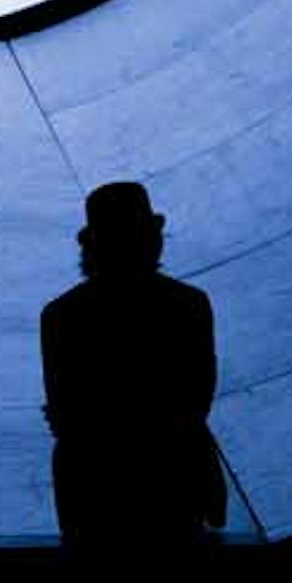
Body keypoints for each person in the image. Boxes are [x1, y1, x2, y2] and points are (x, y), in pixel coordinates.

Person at [40, 181, 224, 557]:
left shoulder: (62, 316)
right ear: (151, 239)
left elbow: (66, 413)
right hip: (175, 485)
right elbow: (196, 399)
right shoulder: (189, 305)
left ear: (91, 245)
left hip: (93, 491)